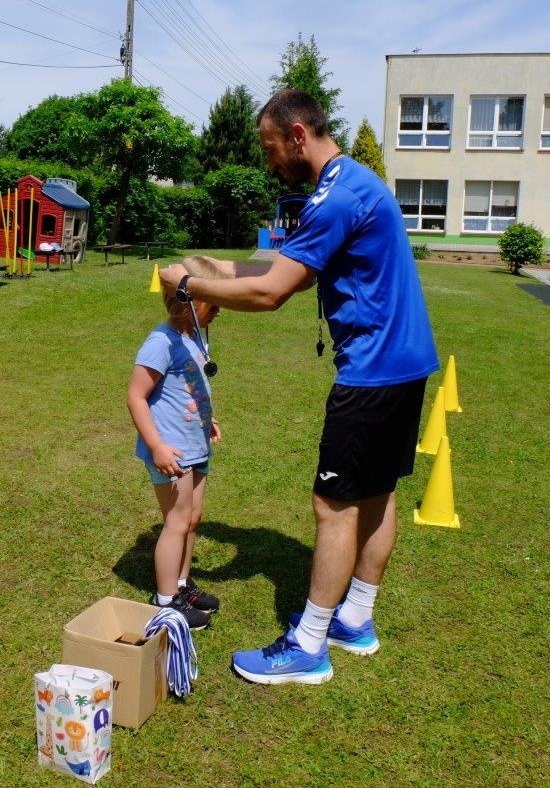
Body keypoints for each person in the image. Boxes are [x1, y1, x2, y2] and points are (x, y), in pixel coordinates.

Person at [159, 89, 439, 685]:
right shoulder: (351, 183)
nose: (269, 163)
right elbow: (282, 269)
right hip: (405, 364)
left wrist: (188, 287)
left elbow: (272, 293)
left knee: (332, 506)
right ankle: (355, 618)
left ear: (296, 136)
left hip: (372, 371)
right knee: (377, 493)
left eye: (270, 149)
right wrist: (214, 268)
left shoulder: (335, 198)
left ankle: (309, 645)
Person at [126, 255, 228, 631]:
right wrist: (156, 446)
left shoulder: (193, 336)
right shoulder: (160, 342)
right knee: (177, 521)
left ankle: (182, 586)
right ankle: (167, 600)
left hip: (194, 443)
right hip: (171, 450)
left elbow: (188, 386)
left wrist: (206, 418)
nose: (219, 310)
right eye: (212, 303)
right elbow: (136, 397)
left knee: (193, 518)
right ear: (189, 303)